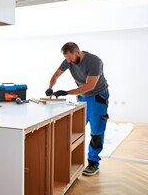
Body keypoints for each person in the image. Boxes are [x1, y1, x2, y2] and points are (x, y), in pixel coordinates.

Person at [46, 42, 109, 176]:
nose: (68, 61)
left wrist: (66, 92)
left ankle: (93, 163)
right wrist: (50, 87)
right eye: (66, 59)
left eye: (70, 58)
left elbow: (90, 86)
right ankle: (74, 161)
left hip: (97, 96)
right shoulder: (68, 60)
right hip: (82, 97)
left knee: (96, 131)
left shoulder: (94, 61)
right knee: (76, 129)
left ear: (78, 52)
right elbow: (56, 75)